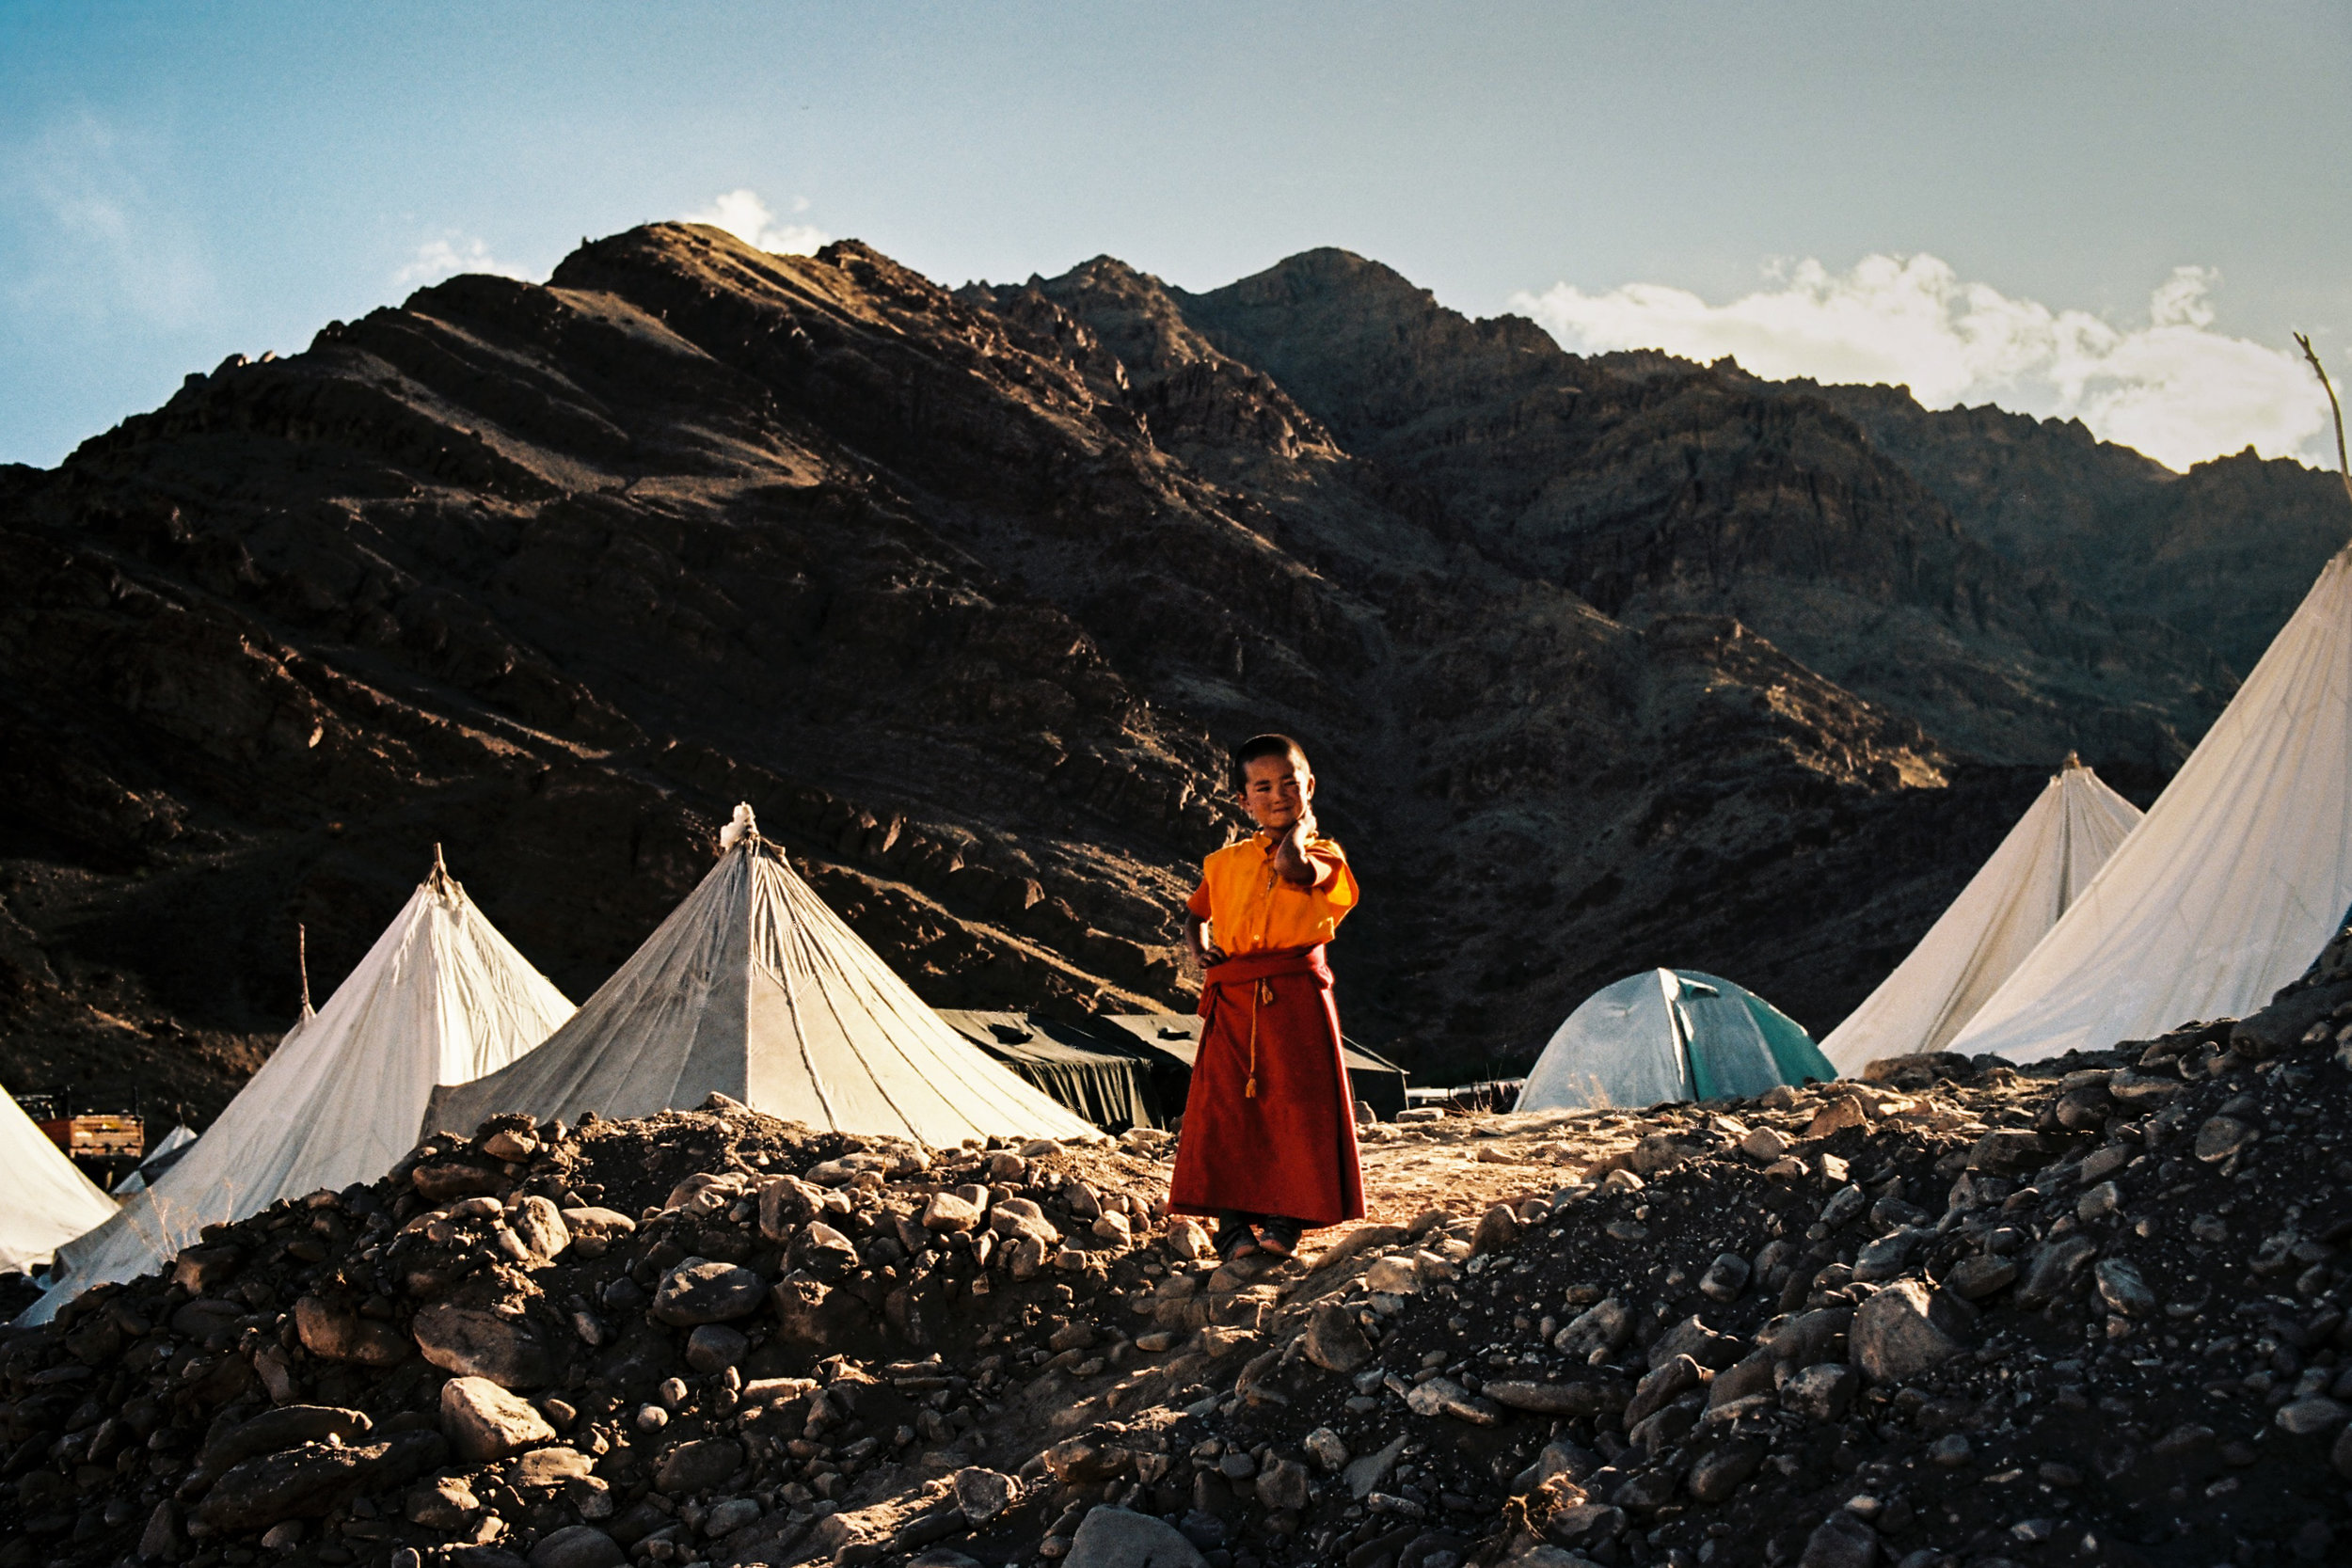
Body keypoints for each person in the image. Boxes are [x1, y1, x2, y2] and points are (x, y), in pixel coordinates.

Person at [1169, 733, 1365, 1260]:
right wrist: (1200, 951)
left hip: (1297, 996)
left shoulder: (1325, 855)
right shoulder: (1225, 862)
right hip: (1233, 998)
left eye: (1290, 784)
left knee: (1296, 1109)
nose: (1278, 795)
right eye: (1263, 787)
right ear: (1243, 800)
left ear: (1310, 787)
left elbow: (1292, 870)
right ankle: (1232, 1229)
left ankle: (1285, 1221)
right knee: (1230, 1109)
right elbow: (1195, 913)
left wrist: (1300, 831)